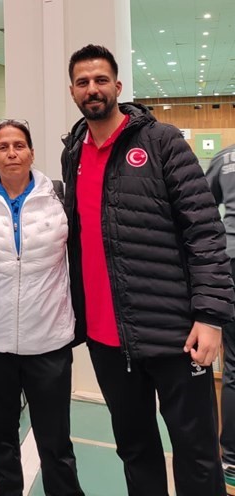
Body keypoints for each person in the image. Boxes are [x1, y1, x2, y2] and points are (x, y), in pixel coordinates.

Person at [62, 43, 234, 496]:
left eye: (101, 80)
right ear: (73, 91)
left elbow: (204, 230)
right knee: (135, 450)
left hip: (174, 335)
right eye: (83, 82)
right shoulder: (73, 152)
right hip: (106, 339)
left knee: (197, 454)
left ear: (118, 86)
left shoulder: (162, 142)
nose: (92, 88)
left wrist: (210, 316)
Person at [0, 119, 84, 496]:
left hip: (49, 340)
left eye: (18, 145)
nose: (11, 153)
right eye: (3, 146)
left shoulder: (59, 196)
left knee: (56, 442)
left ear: (31, 152)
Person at [207, 142, 235, 489]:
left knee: (234, 365)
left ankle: (232, 458)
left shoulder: (225, 157)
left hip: (230, 259)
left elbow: (201, 205)